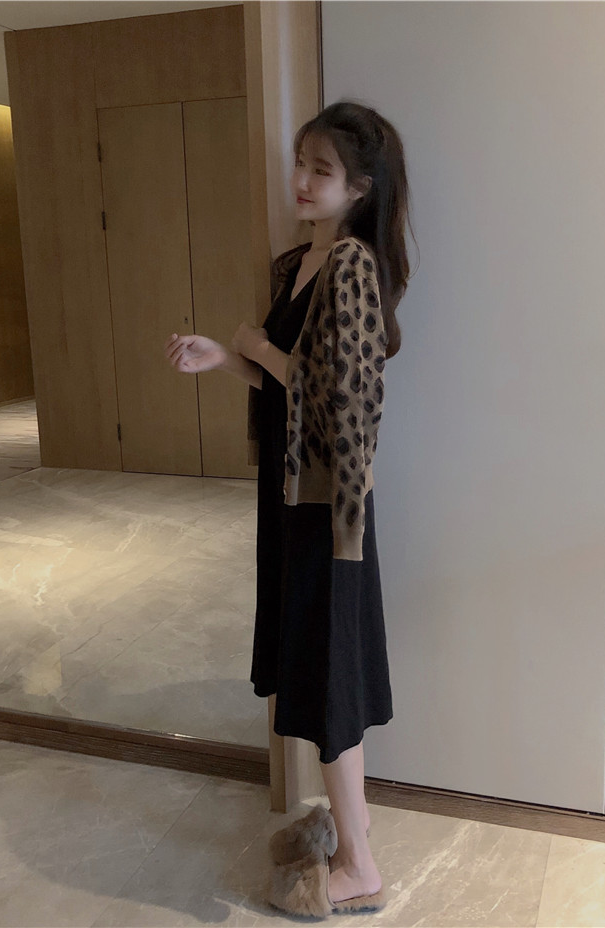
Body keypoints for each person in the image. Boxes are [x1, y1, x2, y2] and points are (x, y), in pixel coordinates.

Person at [163, 100, 412, 917]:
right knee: (314, 670)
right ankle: (349, 830)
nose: (302, 181)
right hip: (291, 498)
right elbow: (286, 380)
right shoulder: (298, 263)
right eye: (301, 163)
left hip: (327, 512)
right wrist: (225, 357)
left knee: (330, 679)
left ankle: (360, 869)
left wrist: (259, 347)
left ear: (360, 187)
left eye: (321, 170)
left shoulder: (351, 266)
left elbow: (346, 396)